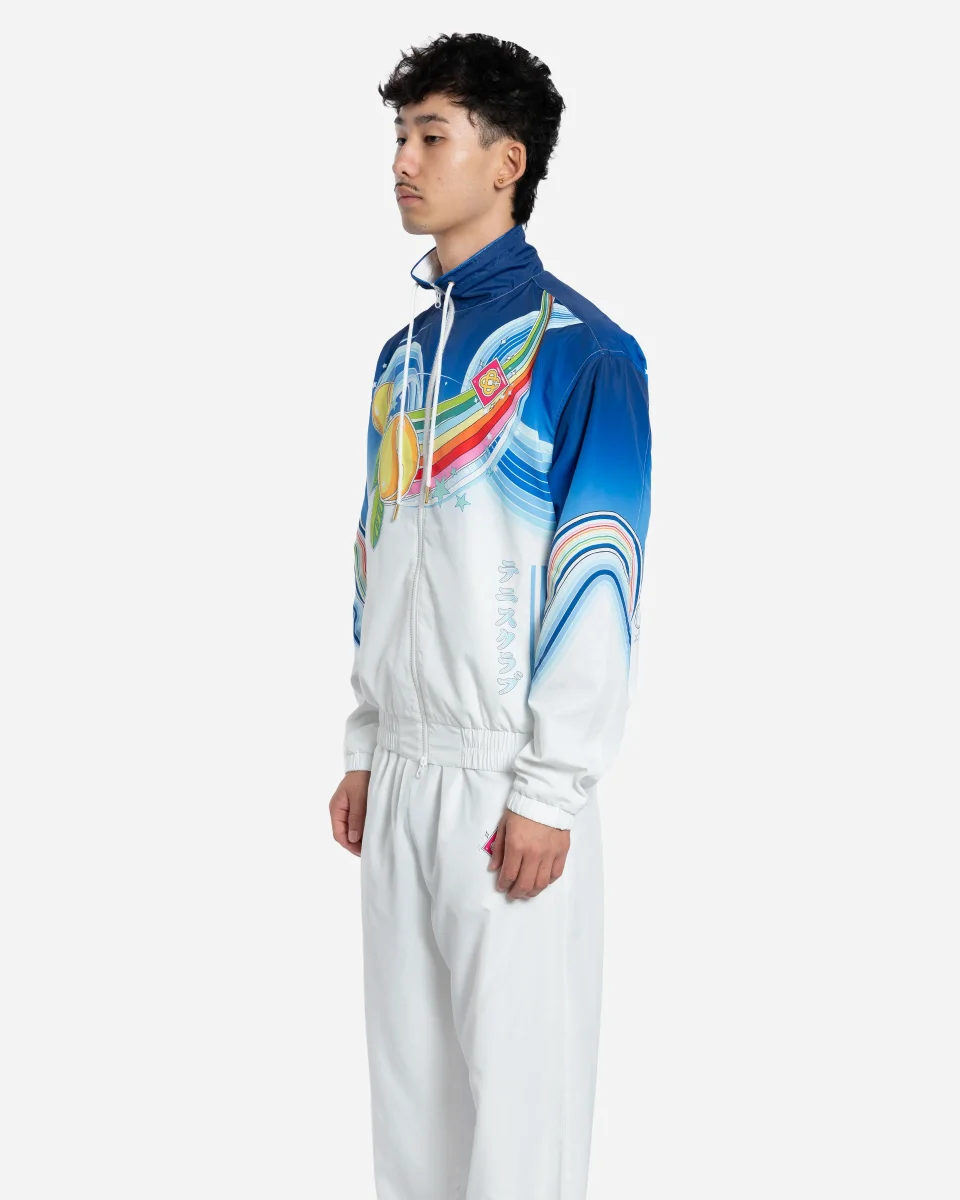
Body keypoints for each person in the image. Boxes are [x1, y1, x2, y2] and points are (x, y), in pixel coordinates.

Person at [328, 32, 653, 1200]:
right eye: (399, 136)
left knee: (519, 1126)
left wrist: (548, 789)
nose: (402, 162)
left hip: (504, 776)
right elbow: (376, 554)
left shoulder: (585, 355)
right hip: (403, 777)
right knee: (414, 1125)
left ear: (508, 161)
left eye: (431, 135)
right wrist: (369, 742)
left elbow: (601, 578)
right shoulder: (402, 359)